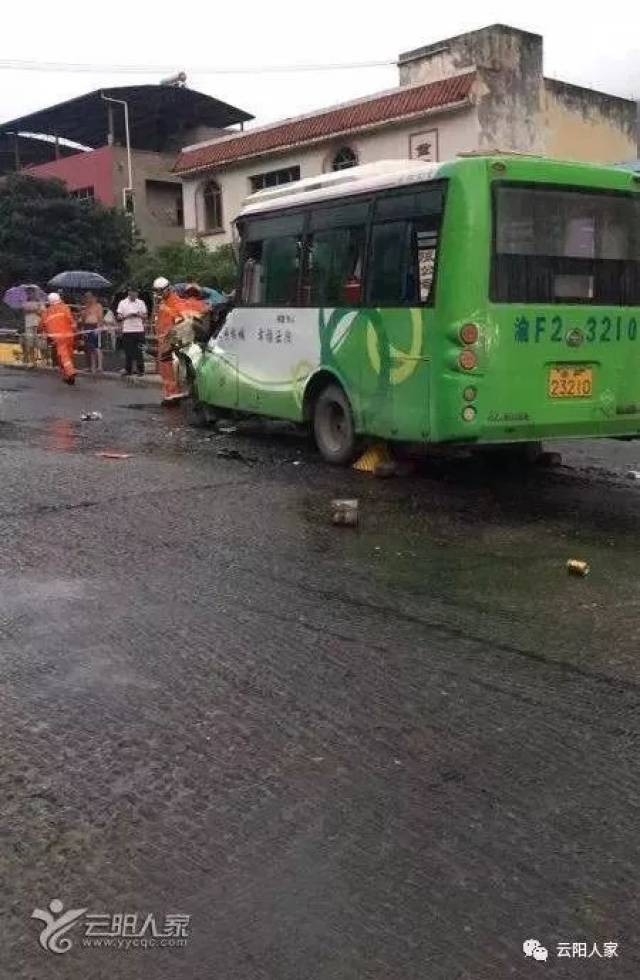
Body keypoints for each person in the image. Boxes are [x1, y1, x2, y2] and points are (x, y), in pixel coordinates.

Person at [153, 276, 188, 403]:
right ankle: (169, 393)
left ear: (167, 289)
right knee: (165, 371)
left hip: (171, 343)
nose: (158, 294)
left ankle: (173, 394)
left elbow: (181, 323)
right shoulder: (164, 303)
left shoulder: (176, 303)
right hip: (163, 342)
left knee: (172, 371)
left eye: (160, 291)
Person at [39, 293, 77, 385]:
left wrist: (43, 333)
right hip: (69, 336)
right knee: (68, 355)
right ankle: (67, 376)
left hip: (58, 337)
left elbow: (41, 326)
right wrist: (75, 330)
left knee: (63, 355)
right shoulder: (65, 307)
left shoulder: (47, 312)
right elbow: (72, 322)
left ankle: (70, 371)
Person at [116, 286, 148, 376]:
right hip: (127, 330)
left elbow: (145, 315)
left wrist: (139, 315)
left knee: (139, 351)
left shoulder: (141, 302)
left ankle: (140, 370)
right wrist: (127, 316)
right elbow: (119, 316)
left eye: (136, 292)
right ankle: (128, 369)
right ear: (129, 293)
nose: (135, 294)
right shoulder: (123, 303)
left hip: (139, 329)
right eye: (133, 292)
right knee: (128, 351)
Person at [79, 291, 104, 375]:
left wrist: (98, 328)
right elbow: (83, 320)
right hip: (87, 326)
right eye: (86, 297)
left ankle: (99, 366)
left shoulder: (98, 306)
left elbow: (100, 318)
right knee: (89, 347)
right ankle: (92, 366)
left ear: (94, 298)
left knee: (97, 348)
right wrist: (83, 313)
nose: (88, 299)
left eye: (89, 297)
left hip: (95, 327)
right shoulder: (86, 307)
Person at [21, 287, 43, 367]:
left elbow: (42, 312)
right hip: (29, 324)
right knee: (30, 343)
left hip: (38, 324)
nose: (30, 294)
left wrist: (35, 310)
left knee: (40, 344)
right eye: (28, 293)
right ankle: (32, 361)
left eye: (32, 292)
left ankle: (42, 360)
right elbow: (25, 310)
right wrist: (34, 309)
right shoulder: (25, 302)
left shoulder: (40, 302)